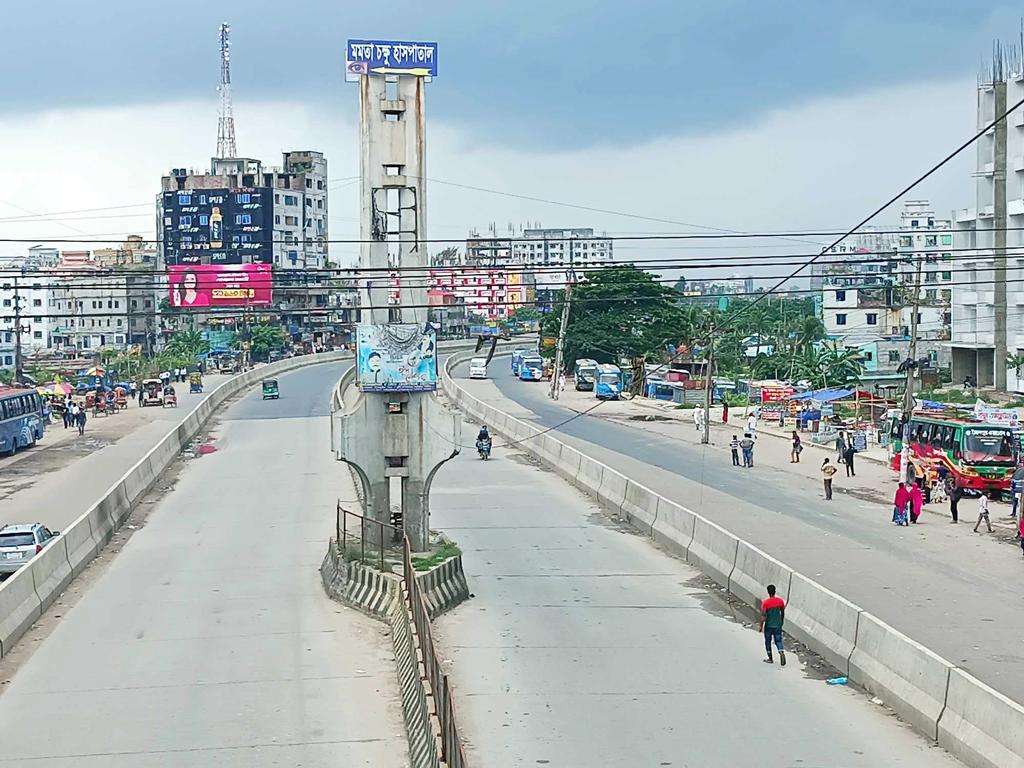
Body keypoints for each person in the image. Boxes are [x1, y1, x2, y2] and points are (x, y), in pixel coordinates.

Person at [759, 584, 786, 666]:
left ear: (768, 592)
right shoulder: (780, 601)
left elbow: (763, 615)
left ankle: (770, 658)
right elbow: (782, 612)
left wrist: (761, 625)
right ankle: (781, 651)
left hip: (769, 625)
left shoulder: (765, 603)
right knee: (778, 640)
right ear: (775, 591)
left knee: (768, 641)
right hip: (778, 624)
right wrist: (781, 622)